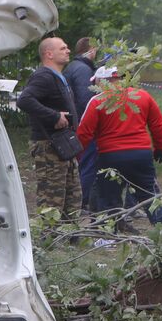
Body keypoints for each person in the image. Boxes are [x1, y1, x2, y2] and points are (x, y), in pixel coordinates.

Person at [76, 67, 162, 229]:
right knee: (149, 193)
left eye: (96, 81)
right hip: (141, 154)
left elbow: (84, 133)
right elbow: (158, 125)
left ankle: (108, 236)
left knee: (107, 195)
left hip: (110, 155)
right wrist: (160, 148)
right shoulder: (142, 96)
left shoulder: (98, 100)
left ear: (102, 81)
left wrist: (77, 158)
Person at [16, 37, 81, 222]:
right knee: (52, 197)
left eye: (67, 47)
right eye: (63, 48)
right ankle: (48, 239)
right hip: (48, 146)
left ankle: (71, 236)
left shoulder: (59, 77)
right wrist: (53, 116)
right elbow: (24, 100)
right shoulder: (43, 76)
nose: (68, 50)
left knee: (72, 194)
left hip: (63, 145)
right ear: (49, 54)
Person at [64, 37, 100, 211]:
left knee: (80, 165)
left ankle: (78, 201)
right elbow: (87, 99)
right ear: (91, 50)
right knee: (88, 164)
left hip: (73, 124)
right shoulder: (84, 70)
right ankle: (82, 202)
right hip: (83, 126)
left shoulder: (72, 67)